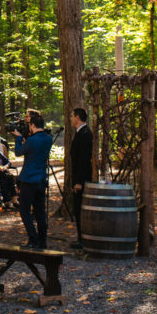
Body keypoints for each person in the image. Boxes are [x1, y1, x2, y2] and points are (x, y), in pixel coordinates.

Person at [15, 111, 54, 249]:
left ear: (32, 125)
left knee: (24, 211)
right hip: (41, 179)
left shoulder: (31, 140)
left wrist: (19, 138)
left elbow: (18, 152)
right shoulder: (48, 138)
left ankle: (33, 238)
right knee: (40, 212)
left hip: (29, 179)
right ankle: (43, 240)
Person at [69, 107, 94, 249]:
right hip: (78, 177)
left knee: (80, 208)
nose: (71, 119)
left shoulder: (85, 134)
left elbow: (83, 160)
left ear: (77, 117)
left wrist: (79, 181)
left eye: (72, 116)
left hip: (82, 178)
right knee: (77, 208)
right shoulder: (80, 133)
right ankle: (80, 237)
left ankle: (82, 239)